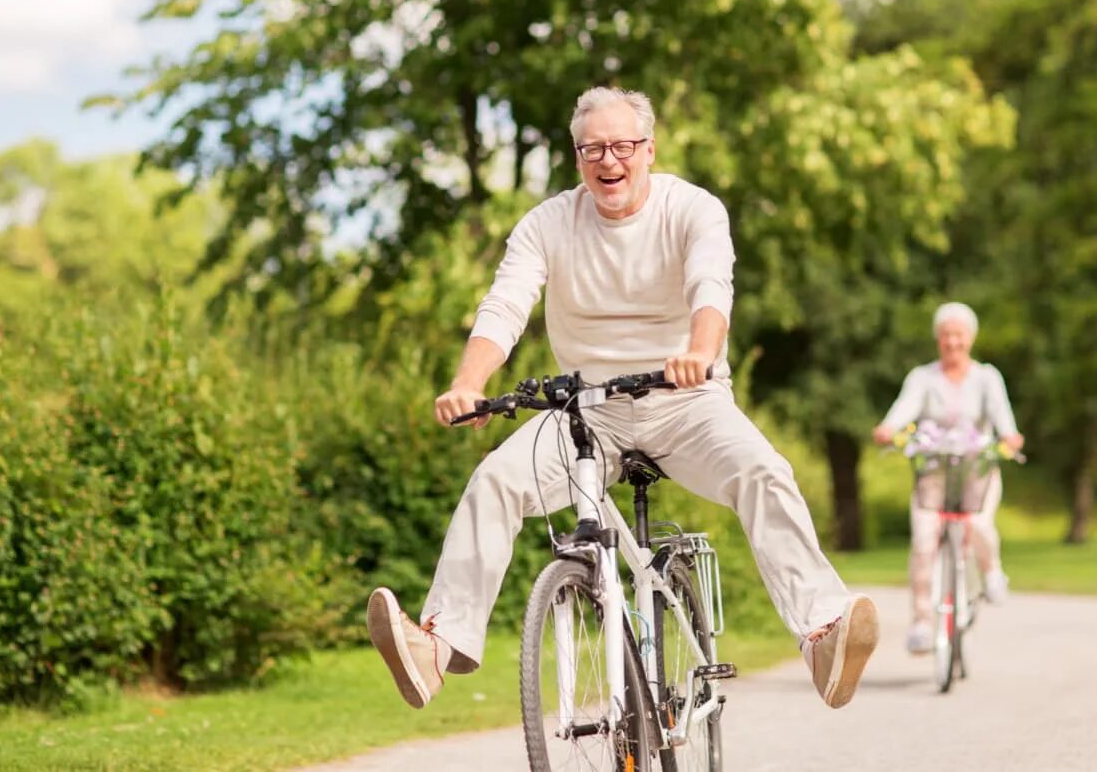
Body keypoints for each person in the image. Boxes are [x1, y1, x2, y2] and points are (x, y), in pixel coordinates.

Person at [366, 86, 879, 711]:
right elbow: (505, 305)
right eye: (592, 149)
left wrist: (699, 350)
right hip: (586, 411)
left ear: (649, 150)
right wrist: (467, 384)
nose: (608, 161)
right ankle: (437, 648)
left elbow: (711, 287)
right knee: (495, 480)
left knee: (764, 471)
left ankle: (823, 634)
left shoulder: (693, 209)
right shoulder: (548, 223)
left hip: (686, 401)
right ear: (577, 157)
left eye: (622, 146)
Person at [871, 302, 1024, 656]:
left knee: (980, 524)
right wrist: (889, 428)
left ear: (970, 339)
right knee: (924, 542)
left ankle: (992, 572)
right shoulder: (923, 377)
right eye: (946, 336)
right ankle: (922, 623)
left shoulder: (987, 377)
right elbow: (904, 408)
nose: (952, 342)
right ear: (938, 340)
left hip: (976, 471)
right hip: (934, 472)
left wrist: (1010, 436)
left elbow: (1003, 418)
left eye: (958, 335)